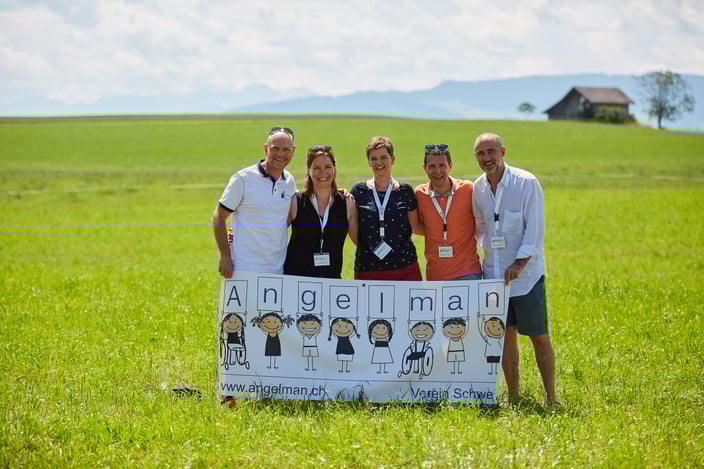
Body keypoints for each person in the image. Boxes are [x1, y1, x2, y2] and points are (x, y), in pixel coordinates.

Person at [471, 132, 557, 406]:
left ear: (503, 151)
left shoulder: (526, 183)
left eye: (491, 151)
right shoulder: (478, 189)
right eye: (481, 154)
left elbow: (535, 231)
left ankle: (551, 397)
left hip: (526, 278)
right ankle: (514, 396)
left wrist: (519, 264)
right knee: (505, 338)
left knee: (539, 337)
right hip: (495, 278)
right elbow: (480, 227)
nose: (487, 158)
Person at [212, 127, 296, 278]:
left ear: (293, 151)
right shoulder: (242, 179)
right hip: (243, 268)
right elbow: (219, 216)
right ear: (266, 148)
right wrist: (225, 255)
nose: (280, 154)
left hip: (278, 269)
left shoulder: (289, 181)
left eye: (286, 149)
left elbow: (287, 217)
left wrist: (337, 193)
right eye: (275, 148)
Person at [350, 136, 422, 280]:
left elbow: (416, 227)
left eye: (384, 157)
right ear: (369, 162)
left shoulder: (405, 191)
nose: (379, 163)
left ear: (392, 159)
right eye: (373, 158)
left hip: (405, 269)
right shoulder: (359, 191)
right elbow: (354, 233)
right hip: (368, 269)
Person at [284, 145, 357, 278]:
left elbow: (360, 241)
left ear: (334, 169)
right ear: (308, 170)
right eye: (317, 168)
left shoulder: (347, 204)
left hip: (330, 282)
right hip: (296, 280)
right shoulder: (296, 201)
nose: (323, 173)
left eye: (328, 167)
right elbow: (274, 235)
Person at [414, 144, 482, 281]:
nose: (437, 171)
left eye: (442, 166)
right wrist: (436, 231)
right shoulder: (420, 194)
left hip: (468, 273)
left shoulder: (468, 189)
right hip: (436, 275)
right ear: (424, 168)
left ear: (450, 166)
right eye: (432, 166)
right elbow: (417, 227)